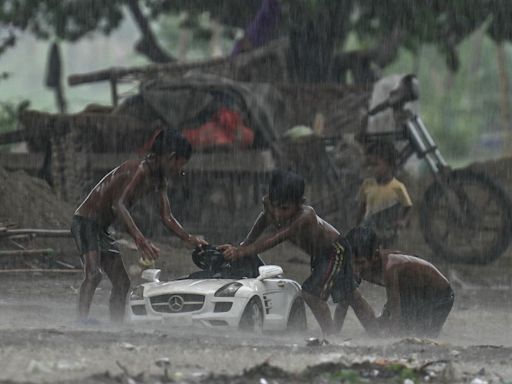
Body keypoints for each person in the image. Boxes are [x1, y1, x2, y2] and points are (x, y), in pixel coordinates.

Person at [71, 128, 207, 323]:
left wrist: (188, 238)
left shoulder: (158, 179)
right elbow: (118, 205)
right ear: (170, 157)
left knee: (122, 282)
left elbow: (166, 216)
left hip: (100, 229)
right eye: (180, 165)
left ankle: (115, 325)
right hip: (85, 222)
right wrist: (140, 239)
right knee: (93, 275)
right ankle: (80, 323)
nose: (180, 171)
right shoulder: (139, 169)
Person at [220, 170, 374, 335]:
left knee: (312, 294)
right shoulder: (269, 204)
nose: (278, 213)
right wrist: (243, 245)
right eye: (275, 206)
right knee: (351, 295)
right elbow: (264, 220)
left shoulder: (305, 216)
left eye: (285, 208)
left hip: (335, 250)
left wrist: (242, 252)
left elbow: (275, 238)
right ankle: (377, 331)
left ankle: (331, 336)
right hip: (320, 255)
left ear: (300, 203)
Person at [345, 226, 454, 337]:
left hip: (441, 295)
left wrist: (393, 338)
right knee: (386, 324)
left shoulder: (390, 267)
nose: (355, 268)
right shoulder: (361, 268)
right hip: (412, 292)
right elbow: (347, 298)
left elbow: (395, 307)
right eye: (352, 263)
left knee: (425, 335)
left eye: (360, 263)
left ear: (376, 256)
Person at [357, 140, 412, 247]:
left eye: (376, 165)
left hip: (389, 232)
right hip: (369, 230)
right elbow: (361, 208)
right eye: (370, 165)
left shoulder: (398, 187)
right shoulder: (367, 185)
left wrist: (402, 221)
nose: (372, 169)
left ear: (390, 165)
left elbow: (407, 208)